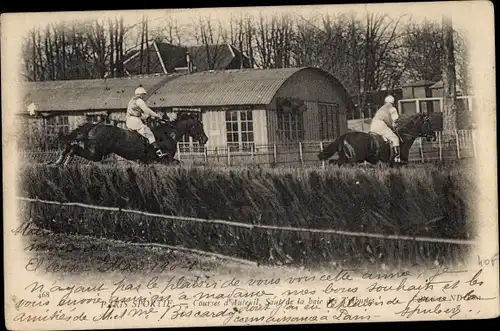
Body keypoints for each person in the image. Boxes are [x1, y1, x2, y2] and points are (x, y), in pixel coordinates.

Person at [126, 86, 169, 158]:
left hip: (129, 121)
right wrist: (156, 115)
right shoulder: (139, 100)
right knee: (149, 134)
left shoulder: (131, 100)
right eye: (143, 94)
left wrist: (147, 116)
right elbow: (147, 110)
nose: (144, 96)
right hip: (135, 121)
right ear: (140, 94)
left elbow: (138, 114)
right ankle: (159, 153)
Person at [370, 95, 401, 163]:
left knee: (383, 138)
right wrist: (394, 127)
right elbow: (395, 120)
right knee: (395, 138)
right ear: (393, 102)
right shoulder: (392, 108)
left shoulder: (381, 108)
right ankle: (397, 158)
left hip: (373, 125)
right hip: (381, 125)